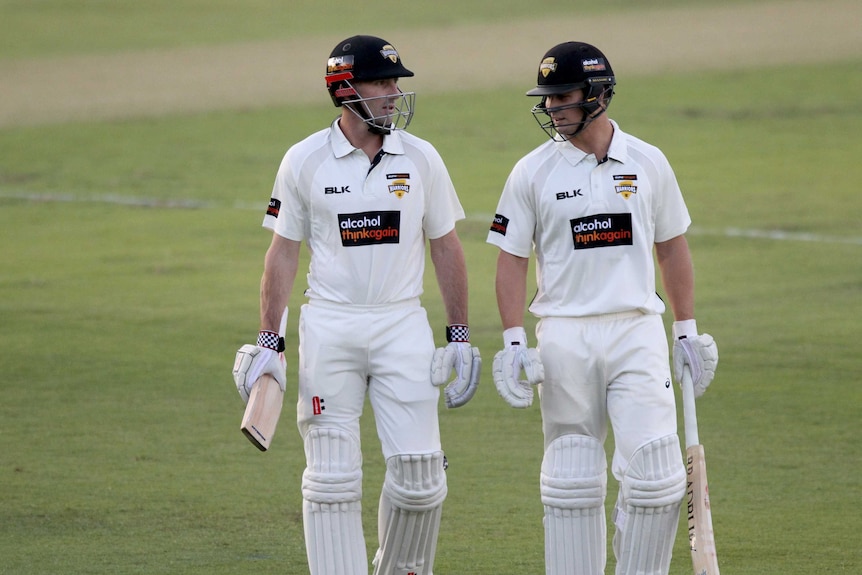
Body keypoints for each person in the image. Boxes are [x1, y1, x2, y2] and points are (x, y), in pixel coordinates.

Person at [232, 35, 481, 575]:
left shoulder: (420, 158)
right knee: (331, 481)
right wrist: (269, 342)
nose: (394, 93)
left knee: (421, 477)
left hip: (402, 323)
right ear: (345, 89)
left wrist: (458, 335)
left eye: (396, 83)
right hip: (330, 326)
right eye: (383, 82)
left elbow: (447, 245)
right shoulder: (304, 161)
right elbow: (281, 255)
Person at [487, 41, 718, 575]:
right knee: (571, 480)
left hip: (636, 329)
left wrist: (685, 330)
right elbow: (511, 260)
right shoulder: (531, 172)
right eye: (545, 99)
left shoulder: (648, 162)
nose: (551, 109)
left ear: (597, 94)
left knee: (659, 479)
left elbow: (672, 247)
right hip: (564, 333)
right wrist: (514, 340)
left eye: (562, 97)